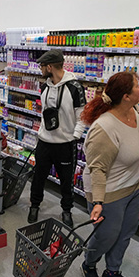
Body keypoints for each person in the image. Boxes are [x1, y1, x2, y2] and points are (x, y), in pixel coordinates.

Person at [80, 71, 139, 277]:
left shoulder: (135, 114)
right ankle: (89, 264)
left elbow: (138, 141)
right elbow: (98, 170)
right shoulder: (105, 127)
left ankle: (112, 271)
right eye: (137, 86)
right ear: (126, 96)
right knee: (106, 235)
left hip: (134, 185)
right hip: (109, 192)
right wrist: (98, 201)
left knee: (125, 233)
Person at [27, 49, 87, 227]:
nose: (40, 69)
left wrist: (74, 136)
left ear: (50, 67)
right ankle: (34, 205)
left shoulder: (75, 87)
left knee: (66, 181)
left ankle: (67, 210)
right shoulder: (44, 86)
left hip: (65, 144)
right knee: (38, 177)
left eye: (42, 66)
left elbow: (82, 116)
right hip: (45, 143)